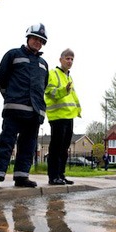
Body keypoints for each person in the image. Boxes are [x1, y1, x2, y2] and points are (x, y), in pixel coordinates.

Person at [0, 23, 49, 189]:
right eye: (35, 38)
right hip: (14, 110)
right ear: (28, 37)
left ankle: (22, 176)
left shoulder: (43, 63)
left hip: (34, 113)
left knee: (28, 146)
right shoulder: (13, 54)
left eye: (41, 40)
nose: (38, 42)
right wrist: (9, 96)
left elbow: (42, 86)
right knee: (6, 143)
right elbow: (0, 77)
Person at [44, 48, 81, 185]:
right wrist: (63, 91)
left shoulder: (69, 77)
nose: (70, 61)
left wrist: (78, 109)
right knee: (56, 147)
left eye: (72, 59)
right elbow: (49, 91)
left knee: (64, 149)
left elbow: (73, 95)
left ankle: (61, 175)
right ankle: (53, 176)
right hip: (57, 116)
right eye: (67, 58)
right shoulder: (53, 73)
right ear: (60, 59)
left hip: (69, 116)